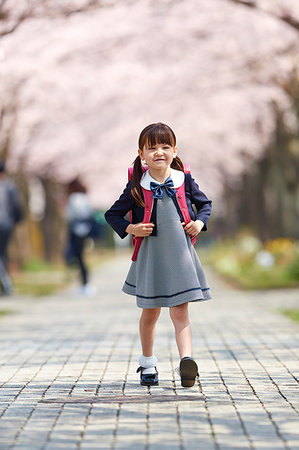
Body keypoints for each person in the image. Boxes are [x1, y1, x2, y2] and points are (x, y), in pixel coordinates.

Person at [105, 123, 212, 387]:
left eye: (165, 147)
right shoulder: (137, 185)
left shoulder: (183, 180)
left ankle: (187, 361)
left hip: (180, 256)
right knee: (150, 312)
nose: (159, 152)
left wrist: (199, 222)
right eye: (152, 148)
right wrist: (132, 228)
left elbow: (205, 204)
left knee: (180, 311)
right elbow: (113, 214)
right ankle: (148, 362)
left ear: (175, 151)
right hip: (151, 257)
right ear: (141, 154)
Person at [64, 177, 96, 296]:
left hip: (76, 230)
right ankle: (85, 283)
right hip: (85, 230)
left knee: (79, 257)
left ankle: (84, 284)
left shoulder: (73, 198)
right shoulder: (84, 198)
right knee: (81, 257)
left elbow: (69, 215)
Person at [0, 160, 24, 296]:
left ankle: (6, 284)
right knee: (2, 253)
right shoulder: (10, 186)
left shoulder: (9, 187)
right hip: (7, 225)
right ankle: (6, 284)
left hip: (4, 224)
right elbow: (16, 206)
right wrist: (17, 220)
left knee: (1, 254)